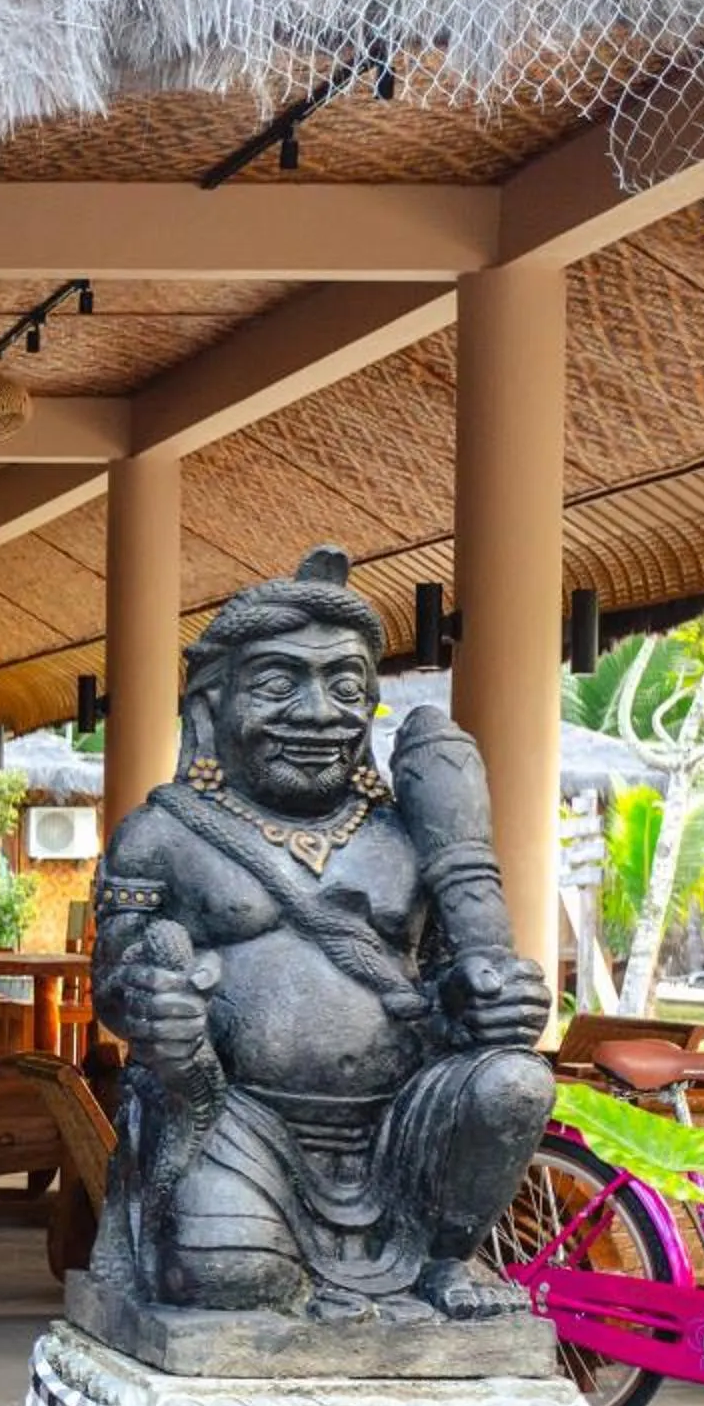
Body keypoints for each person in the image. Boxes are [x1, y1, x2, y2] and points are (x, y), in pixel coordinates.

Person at [89, 548, 552, 1320]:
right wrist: (147, 1001)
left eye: (345, 688)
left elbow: (444, 977)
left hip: (397, 1126)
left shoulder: (409, 836)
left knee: (514, 1081)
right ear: (210, 706)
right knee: (229, 1280)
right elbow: (113, 977)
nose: (316, 713)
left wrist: (491, 999)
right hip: (235, 1118)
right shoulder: (162, 836)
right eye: (277, 685)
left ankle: (445, 1262)